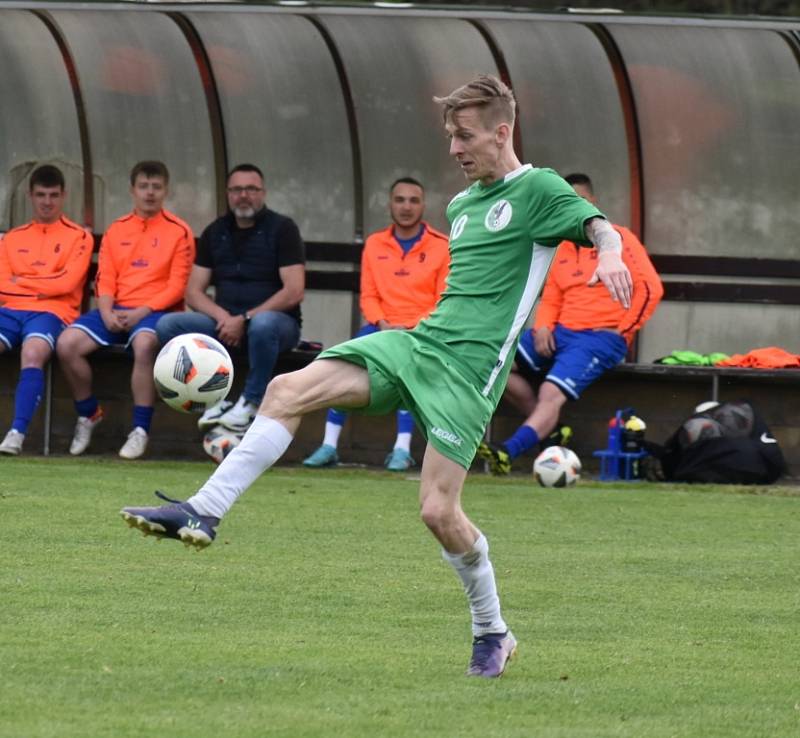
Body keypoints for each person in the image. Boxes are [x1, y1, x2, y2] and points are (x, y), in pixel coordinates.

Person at [120, 75, 632, 678]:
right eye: (449, 137)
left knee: (439, 513)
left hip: (468, 377)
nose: (454, 149)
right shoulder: (464, 205)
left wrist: (610, 251)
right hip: (418, 343)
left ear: (502, 132)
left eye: (465, 136)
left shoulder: (539, 189)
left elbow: (597, 225)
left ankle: (493, 630)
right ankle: (203, 509)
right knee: (287, 390)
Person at [477, 173, 664, 474]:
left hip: (599, 338)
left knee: (551, 392)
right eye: (568, 202)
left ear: (593, 203)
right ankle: (552, 433)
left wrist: (622, 330)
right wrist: (544, 326)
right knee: (492, 361)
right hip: (561, 332)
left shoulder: (618, 238)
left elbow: (651, 289)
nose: (575, 208)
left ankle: (508, 452)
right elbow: (550, 295)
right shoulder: (561, 247)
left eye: (581, 201)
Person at [303, 177, 449, 471]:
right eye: (400, 200)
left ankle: (401, 449)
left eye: (413, 200)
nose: (406, 207)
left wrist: (408, 327)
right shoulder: (374, 243)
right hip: (380, 327)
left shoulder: (441, 246)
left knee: (410, 367)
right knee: (341, 364)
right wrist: (383, 323)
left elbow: (442, 301)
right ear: (389, 205)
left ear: (423, 205)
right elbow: (368, 295)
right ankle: (329, 445)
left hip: (420, 331)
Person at [56, 160, 194, 459]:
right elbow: (105, 277)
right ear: (132, 190)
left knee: (145, 345)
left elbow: (177, 286)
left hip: (157, 312)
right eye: (144, 186)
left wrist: (142, 311)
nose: (149, 193)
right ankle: (89, 413)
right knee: (67, 344)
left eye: (156, 187)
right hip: (115, 310)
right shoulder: (117, 229)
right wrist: (106, 311)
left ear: (165, 191)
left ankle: (140, 429)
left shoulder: (179, 231)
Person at [155, 163, 305, 433]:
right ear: (227, 193)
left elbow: (293, 291)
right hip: (224, 325)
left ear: (263, 192)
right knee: (168, 326)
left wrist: (245, 319)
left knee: (263, 325)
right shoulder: (216, 232)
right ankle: (211, 399)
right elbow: (193, 292)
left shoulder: (283, 229)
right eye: (236, 190)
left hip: (275, 326)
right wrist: (225, 318)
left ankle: (251, 403)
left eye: (251, 189)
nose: (243, 195)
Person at [0, 165, 92, 455]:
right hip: (10, 310)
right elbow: (2, 286)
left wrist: (22, 280)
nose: (47, 202)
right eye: (41, 195)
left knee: (33, 351)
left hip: (53, 312)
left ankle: (16, 434)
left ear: (63, 196)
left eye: (53, 195)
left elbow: (66, 284)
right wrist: (41, 283)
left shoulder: (79, 236)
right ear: (30, 196)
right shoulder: (12, 238)